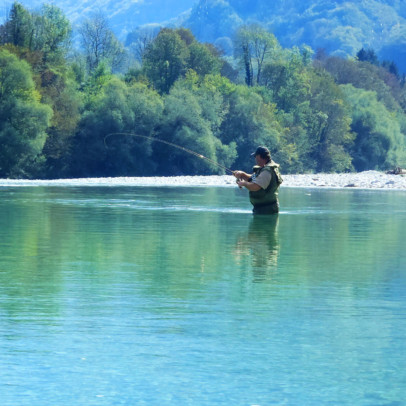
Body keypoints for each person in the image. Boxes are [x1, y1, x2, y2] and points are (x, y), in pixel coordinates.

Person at [233, 146, 282, 215]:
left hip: (267, 210)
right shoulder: (264, 169)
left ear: (259, 156)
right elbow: (253, 179)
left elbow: (256, 186)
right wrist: (242, 175)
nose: (255, 158)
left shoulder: (267, 171)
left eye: (255, 156)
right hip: (261, 209)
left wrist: (244, 184)